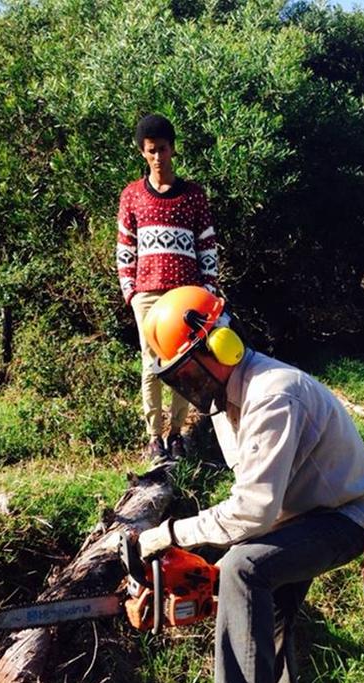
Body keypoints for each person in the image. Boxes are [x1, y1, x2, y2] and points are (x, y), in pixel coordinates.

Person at [136, 286, 364, 683]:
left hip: (344, 516)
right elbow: (253, 497)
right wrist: (199, 562)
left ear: (221, 345)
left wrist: (172, 535)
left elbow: (253, 509)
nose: (187, 385)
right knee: (258, 598)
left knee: (244, 570)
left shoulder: (272, 395)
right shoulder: (227, 402)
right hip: (297, 514)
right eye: (177, 378)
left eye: (189, 372)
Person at [116, 114, 218, 462]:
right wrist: (130, 293)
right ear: (142, 153)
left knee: (184, 365)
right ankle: (153, 437)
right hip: (147, 294)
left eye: (162, 149)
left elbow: (207, 245)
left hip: (185, 295)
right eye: (151, 150)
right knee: (151, 366)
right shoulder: (132, 195)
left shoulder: (193, 195)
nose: (158, 156)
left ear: (173, 149)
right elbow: (125, 247)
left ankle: (176, 434)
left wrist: (208, 290)